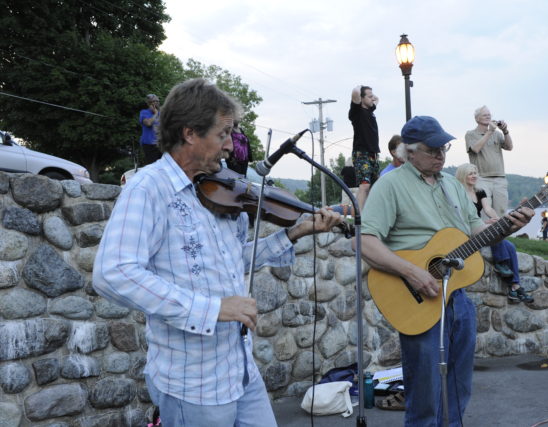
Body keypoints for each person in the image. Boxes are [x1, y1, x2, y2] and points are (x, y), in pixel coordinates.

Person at [93, 79, 342, 427]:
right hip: (191, 382)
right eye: (223, 134)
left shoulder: (217, 187)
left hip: (239, 369)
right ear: (191, 133)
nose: (230, 146)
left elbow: (232, 260)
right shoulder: (148, 188)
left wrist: (294, 232)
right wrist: (210, 309)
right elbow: (113, 272)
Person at [360, 116, 533, 426]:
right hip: (419, 297)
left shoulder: (453, 185)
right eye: (432, 149)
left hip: (457, 298)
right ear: (408, 152)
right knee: (424, 392)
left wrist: (510, 226)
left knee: (458, 386)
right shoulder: (390, 185)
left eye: (444, 148)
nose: (441, 155)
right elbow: (367, 242)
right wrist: (412, 273)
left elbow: (478, 231)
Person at [455, 163, 533, 303]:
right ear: (463, 175)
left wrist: (497, 219)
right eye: (470, 173)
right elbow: (461, 218)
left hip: (479, 226)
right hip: (467, 230)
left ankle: (515, 286)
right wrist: (484, 224)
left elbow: (488, 208)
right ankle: (500, 263)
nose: (474, 176)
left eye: (475, 173)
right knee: (493, 234)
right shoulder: (458, 193)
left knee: (510, 247)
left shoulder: (479, 191)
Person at [464, 105, 513, 216]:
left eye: (489, 115)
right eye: (485, 115)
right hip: (481, 178)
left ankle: (500, 233)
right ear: (477, 119)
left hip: (499, 178)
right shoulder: (470, 134)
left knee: (501, 211)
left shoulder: (497, 134)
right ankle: (485, 233)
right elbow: (475, 149)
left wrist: (505, 131)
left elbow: (509, 147)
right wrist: (489, 132)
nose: (488, 117)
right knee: (485, 212)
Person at [349, 85, 380, 210]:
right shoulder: (356, 112)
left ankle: (371, 214)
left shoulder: (370, 111)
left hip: (373, 153)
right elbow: (355, 91)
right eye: (369, 96)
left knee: (374, 187)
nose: (373, 99)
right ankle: (359, 218)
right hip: (361, 153)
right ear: (361, 99)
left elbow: (377, 99)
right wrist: (361, 87)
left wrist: (371, 96)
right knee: (364, 185)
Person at [139, 93, 162, 165]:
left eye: (158, 101)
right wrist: (155, 114)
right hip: (149, 145)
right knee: (152, 166)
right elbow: (148, 123)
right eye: (155, 101)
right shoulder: (144, 112)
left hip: (160, 145)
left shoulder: (161, 113)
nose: (157, 103)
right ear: (150, 104)